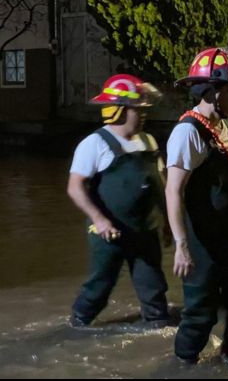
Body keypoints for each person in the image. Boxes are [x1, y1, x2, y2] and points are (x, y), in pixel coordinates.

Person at [165, 47, 228, 363]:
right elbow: (173, 191)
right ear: (210, 91)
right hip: (203, 245)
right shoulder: (187, 133)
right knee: (200, 316)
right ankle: (182, 367)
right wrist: (181, 246)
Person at [68, 74, 169, 328]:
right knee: (98, 290)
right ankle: (75, 327)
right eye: (138, 109)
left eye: (145, 109)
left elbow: (161, 185)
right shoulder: (94, 144)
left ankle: (158, 331)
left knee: (154, 292)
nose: (144, 114)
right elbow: (75, 187)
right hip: (109, 234)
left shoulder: (149, 141)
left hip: (145, 232)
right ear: (120, 110)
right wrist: (99, 220)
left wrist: (167, 222)